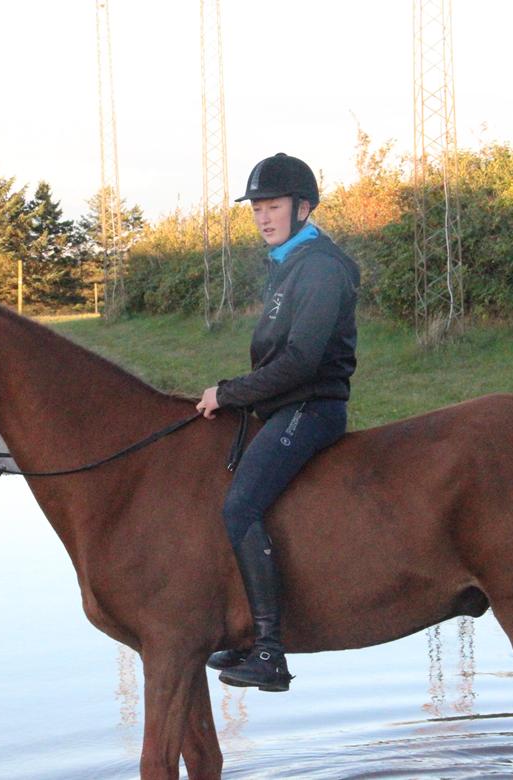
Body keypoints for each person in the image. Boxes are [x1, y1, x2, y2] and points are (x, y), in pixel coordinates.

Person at [195, 152, 360, 692]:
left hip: (311, 407)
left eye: (273, 207)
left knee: (241, 503)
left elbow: (300, 362)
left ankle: (269, 650)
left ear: (303, 207)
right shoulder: (287, 265)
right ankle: (244, 631)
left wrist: (231, 394)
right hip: (286, 404)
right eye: (257, 208)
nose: (263, 217)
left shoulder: (319, 267)